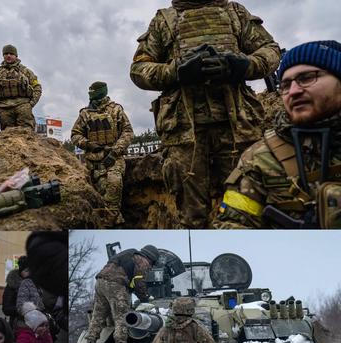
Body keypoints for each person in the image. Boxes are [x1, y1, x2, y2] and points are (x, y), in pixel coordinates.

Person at [130, 0, 280, 228]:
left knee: (244, 211)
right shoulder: (165, 20)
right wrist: (176, 71)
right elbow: (138, 69)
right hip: (184, 135)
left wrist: (243, 65)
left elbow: (270, 50)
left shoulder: (234, 13)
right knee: (192, 218)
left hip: (238, 128)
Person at [214, 40, 341, 229]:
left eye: (307, 78)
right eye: (285, 85)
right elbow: (232, 226)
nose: (294, 91)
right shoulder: (259, 159)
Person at [70, 81, 134, 225]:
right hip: (93, 164)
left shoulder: (116, 110)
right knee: (98, 199)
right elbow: (75, 135)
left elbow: (128, 132)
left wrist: (115, 152)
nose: (91, 94)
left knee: (113, 190)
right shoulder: (85, 114)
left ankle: (111, 225)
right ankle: (113, 224)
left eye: (93, 91)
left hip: (114, 160)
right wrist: (88, 144)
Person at [84, 245, 159, 343]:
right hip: (116, 285)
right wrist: (145, 298)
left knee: (98, 316)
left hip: (100, 282)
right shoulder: (143, 261)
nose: (150, 267)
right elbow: (139, 283)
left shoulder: (130, 253)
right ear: (151, 258)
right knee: (122, 316)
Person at [0, 44, 42, 130]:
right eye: (6, 53)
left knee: (26, 135)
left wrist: (31, 104)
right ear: (3, 55)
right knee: (6, 137)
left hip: (23, 106)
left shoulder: (26, 71)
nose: (8, 56)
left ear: (16, 56)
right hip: (3, 108)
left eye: (11, 54)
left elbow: (37, 87)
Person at [1, 255, 28, 325]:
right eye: (27, 270)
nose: (30, 273)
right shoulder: (13, 283)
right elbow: (6, 308)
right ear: (21, 270)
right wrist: (24, 309)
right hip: (17, 324)